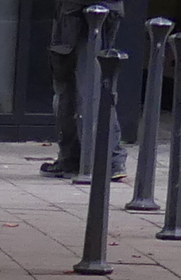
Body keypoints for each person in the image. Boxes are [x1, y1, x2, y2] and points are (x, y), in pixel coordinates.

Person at [45, 0, 131, 177]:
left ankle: (105, 158)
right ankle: (78, 157)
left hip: (81, 13)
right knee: (82, 85)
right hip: (88, 12)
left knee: (88, 87)